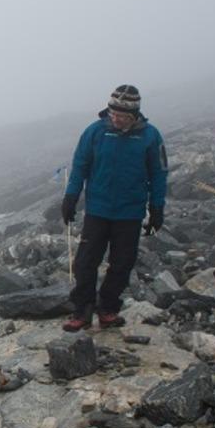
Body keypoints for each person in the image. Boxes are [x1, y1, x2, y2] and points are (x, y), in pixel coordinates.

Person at [62, 84, 168, 331]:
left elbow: (159, 173)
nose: (115, 119)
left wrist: (157, 207)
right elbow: (80, 166)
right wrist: (70, 197)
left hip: (130, 212)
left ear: (134, 115)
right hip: (98, 209)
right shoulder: (95, 132)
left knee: (122, 263)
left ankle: (108, 308)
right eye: (112, 114)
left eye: (121, 116)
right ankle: (82, 310)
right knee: (85, 262)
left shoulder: (150, 136)